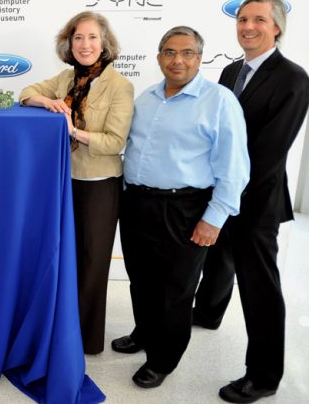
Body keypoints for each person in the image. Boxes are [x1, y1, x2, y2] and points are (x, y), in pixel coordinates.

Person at [114, 26, 249, 388]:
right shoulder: (146, 98)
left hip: (185, 207)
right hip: (138, 203)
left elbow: (234, 168)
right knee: (141, 279)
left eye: (187, 53)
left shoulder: (219, 101)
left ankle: (162, 359)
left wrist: (214, 219)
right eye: (170, 52)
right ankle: (144, 333)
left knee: (175, 289)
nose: (178, 60)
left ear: (200, 58)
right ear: (159, 58)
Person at [193, 0, 309, 403]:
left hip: (257, 199)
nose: (248, 26)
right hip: (223, 191)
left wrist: (228, 199)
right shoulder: (230, 71)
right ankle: (207, 314)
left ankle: (263, 377)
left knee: (259, 288)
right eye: (243, 19)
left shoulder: (292, 78)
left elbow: (269, 151)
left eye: (258, 20)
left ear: (276, 27)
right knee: (218, 259)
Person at [19, 11, 134, 355]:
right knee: (64, 259)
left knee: (92, 262)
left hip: (99, 185)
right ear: (69, 44)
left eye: (92, 37)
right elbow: (25, 93)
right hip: (64, 182)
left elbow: (115, 142)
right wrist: (47, 101)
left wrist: (74, 132)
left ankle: (85, 340)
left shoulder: (120, 86)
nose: (85, 44)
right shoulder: (67, 79)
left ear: (105, 43)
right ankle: (61, 329)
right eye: (78, 38)